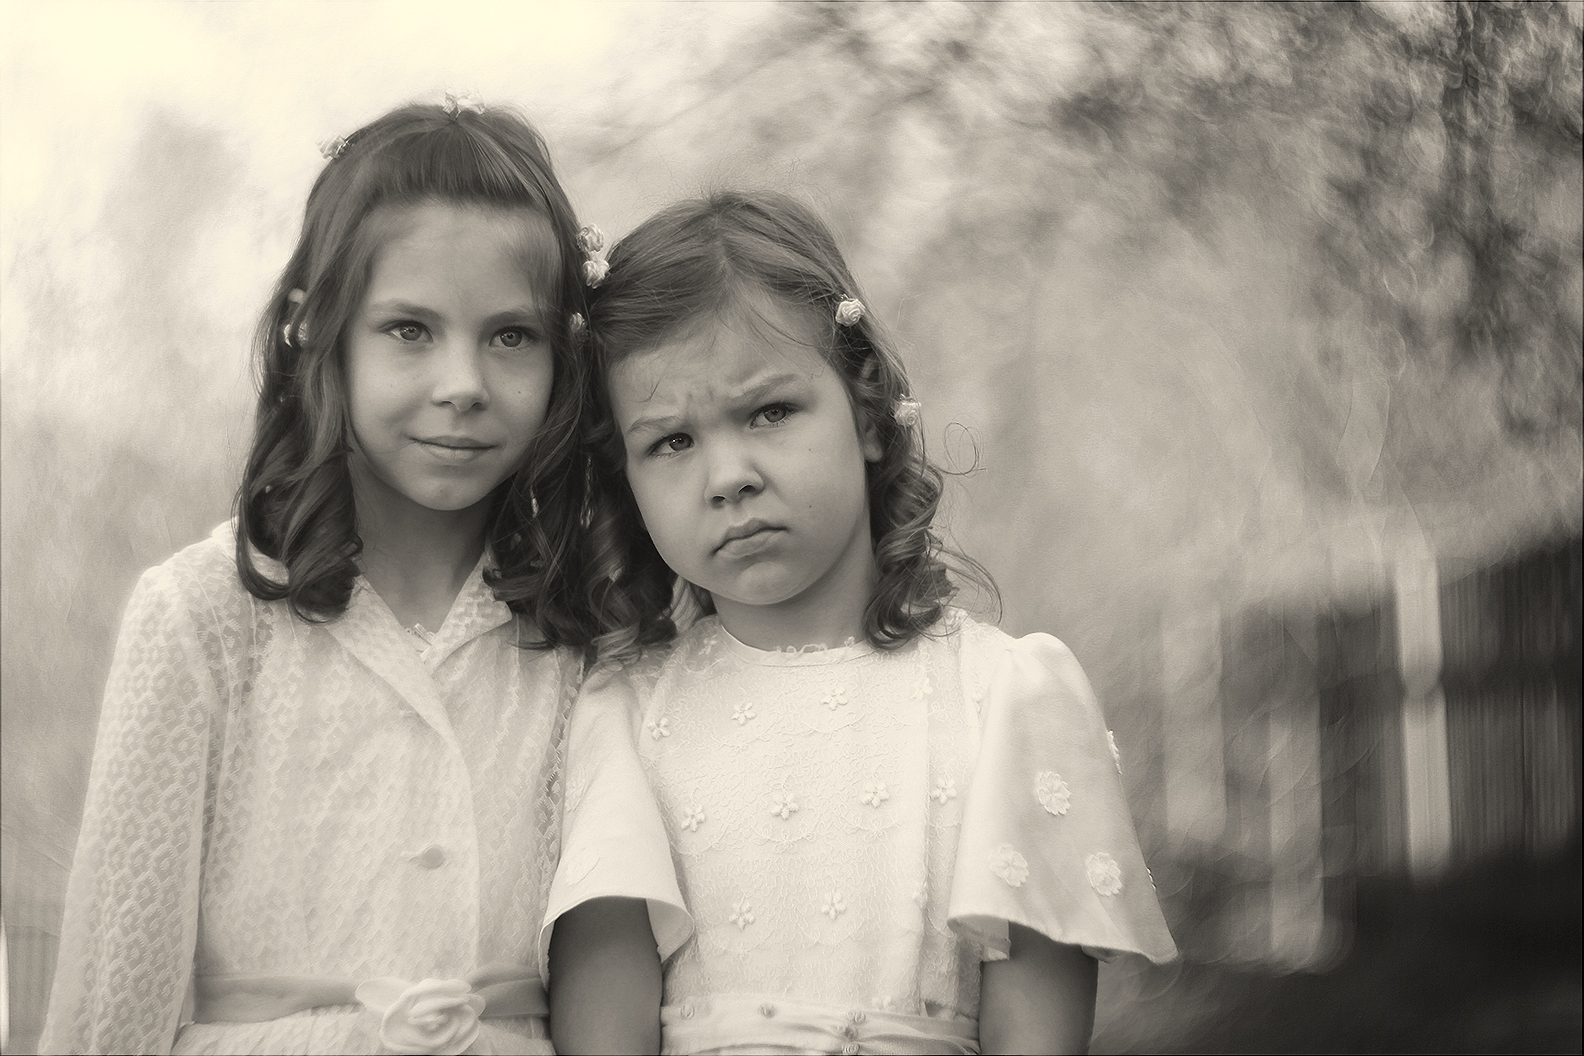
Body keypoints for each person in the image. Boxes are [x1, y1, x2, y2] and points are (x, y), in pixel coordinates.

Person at [543, 191, 1178, 1055]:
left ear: (870, 413)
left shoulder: (1003, 700)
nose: (729, 474)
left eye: (770, 412)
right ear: (627, 481)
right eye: (671, 442)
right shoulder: (621, 718)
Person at [41, 94, 599, 1056]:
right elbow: (113, 991)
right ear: (317, 330)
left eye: (512, 335)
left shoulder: (583, 628)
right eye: (409, 330)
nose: (463, 381)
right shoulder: (204, 615)